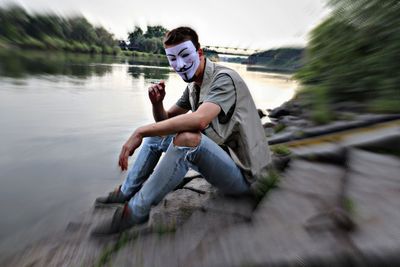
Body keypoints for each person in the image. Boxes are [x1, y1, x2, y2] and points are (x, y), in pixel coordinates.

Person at [92, 26, 270, 235]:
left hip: (245, 176)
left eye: (186, 55)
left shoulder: (224, 79)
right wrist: (157, 104)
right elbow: (165, 122)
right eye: (173, 59)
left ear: (200, 53)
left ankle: (135, 212)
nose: (180, 64)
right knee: (155, 138)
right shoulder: (194, 85)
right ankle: (126, 192)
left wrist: (139, 131)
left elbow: (199, 121)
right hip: (223, 158)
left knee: (186, 139)